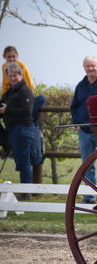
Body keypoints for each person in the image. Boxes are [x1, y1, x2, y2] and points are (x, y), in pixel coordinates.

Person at [71, 55, 97, 204]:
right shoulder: (80, 86)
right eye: (88, 66)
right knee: (87, 164)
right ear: (84, 68)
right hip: (84, 131)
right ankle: (89, 196)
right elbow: (74, 106)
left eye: (93, 66)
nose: (90, 69)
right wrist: (77, 123)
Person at [0, 63, 35, 200]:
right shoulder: (10, 92)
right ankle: (25, 191)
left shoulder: (25, 91)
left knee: (24, 162)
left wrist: (6, 110)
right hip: (14, 129)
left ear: (20, 75)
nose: (13, 78)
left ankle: (26, 192)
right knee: (20, 161)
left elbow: (27, 111)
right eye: (10, 76)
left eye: (15, 75)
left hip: (23, 129)